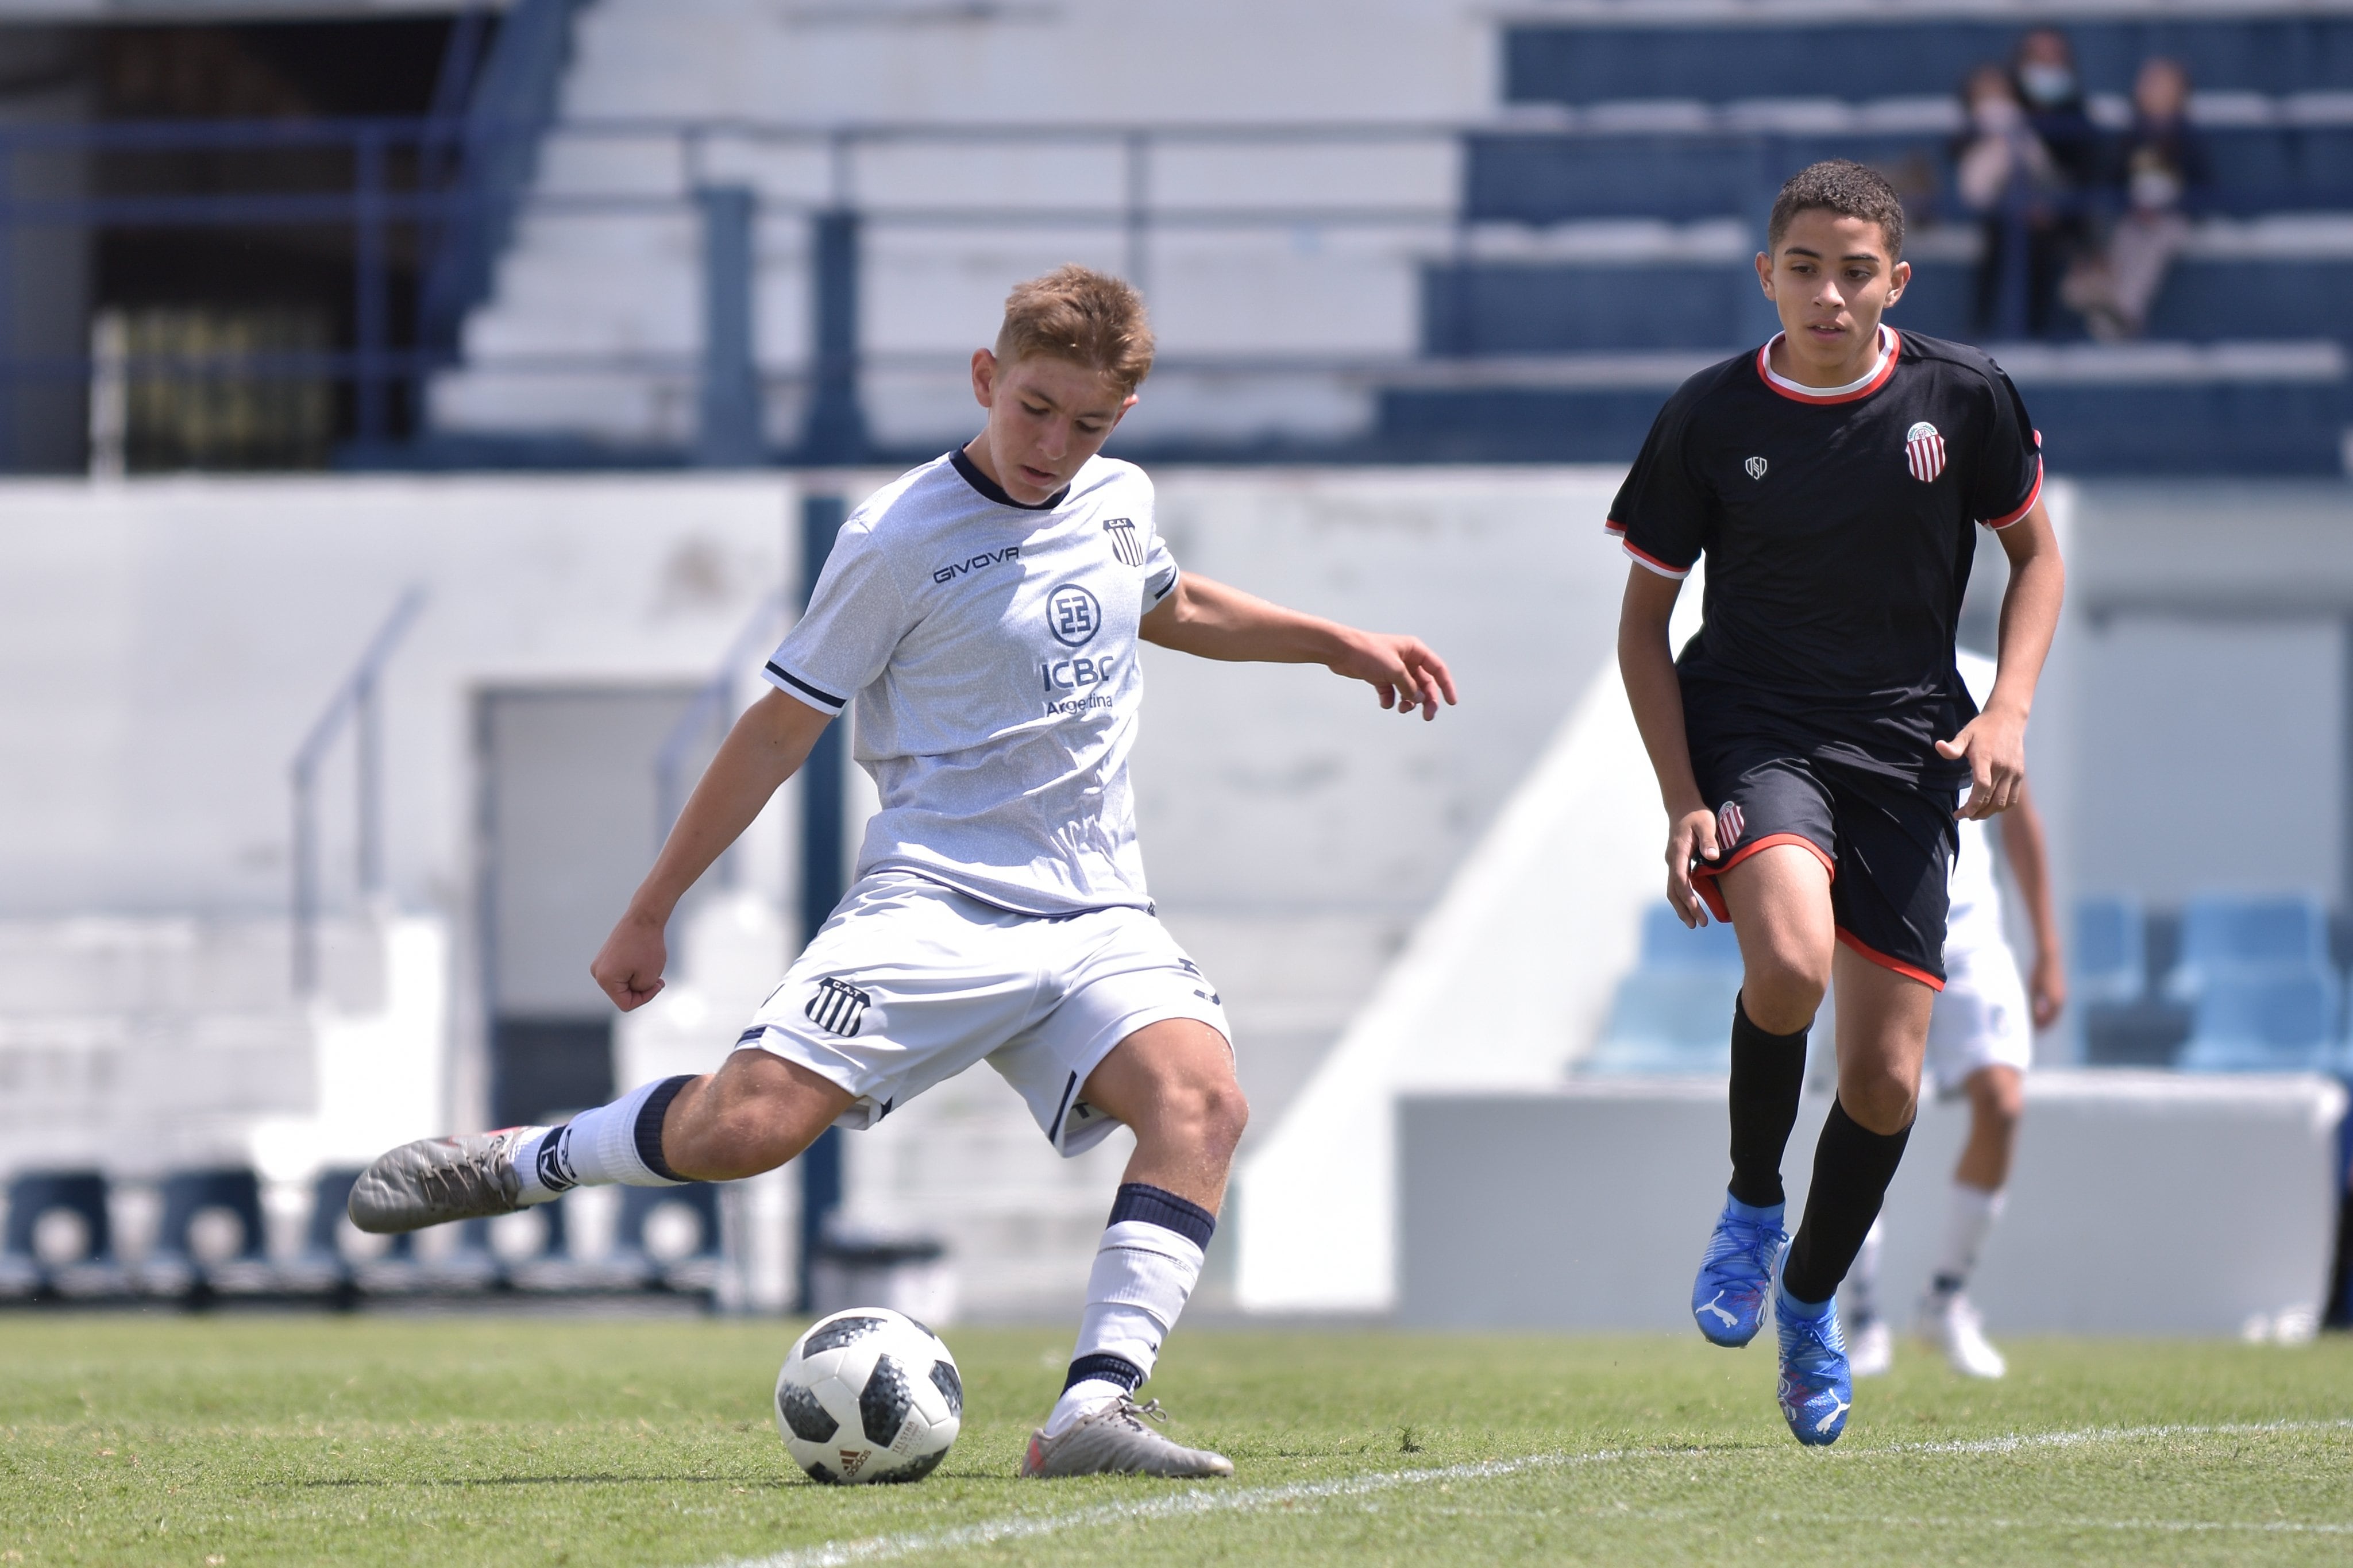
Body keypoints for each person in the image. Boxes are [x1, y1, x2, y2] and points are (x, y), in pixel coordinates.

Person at [347, 264, 1457, 1481]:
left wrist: (1337, 645)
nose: (1053, 442)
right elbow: (778, 728)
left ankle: (1094, 1409)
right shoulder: (895, 538)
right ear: (986, 378)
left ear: (1119, 423)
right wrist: (648, 908)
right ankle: (523, 1160)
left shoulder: (1117, 498)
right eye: (1034, 408)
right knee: (748, 1130)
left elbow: (1173, 601)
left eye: (1086, 423)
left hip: (1096, 914)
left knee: (1203, 1105)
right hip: (933, 899)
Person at [1610, 160, 2065, 1446]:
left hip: (1905, 751)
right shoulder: (1705, 416)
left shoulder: (1959, 397)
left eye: (1853, 270)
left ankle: (1808, 1306)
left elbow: (2034, 559)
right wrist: (1682, 797)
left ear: (1893, 282)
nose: (1826, 291)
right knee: (1791, 966)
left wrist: (2007, 708)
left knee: (1881, 1081)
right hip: (1753, 731)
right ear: (1767, 275)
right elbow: (1643, 628)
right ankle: (1752, 1204)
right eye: (1801, 267)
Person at [1842, 647, 2067, 1381]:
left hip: (1967, 928)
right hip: (1866, 921)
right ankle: (1859, 1311)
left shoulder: (1976, 675)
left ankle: (1945, 1298)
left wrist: (2048, 947)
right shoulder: (1829, 666)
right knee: (1866, 1107)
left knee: (2001, 1103)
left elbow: (2018, 819)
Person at [2063, 57, 2208, 341]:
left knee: (2153, 249)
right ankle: (2100, 301)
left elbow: (2202, 184)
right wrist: (2134, 205)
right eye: (2149, 84)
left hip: (2173, 218)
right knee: (2125, 242)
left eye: (2163, 86)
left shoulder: (2189, 138)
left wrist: (2172, 206)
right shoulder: (2131, 136)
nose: (2153, 91)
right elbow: (2116, 179)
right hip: (2135, 214)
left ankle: (2125, 310)